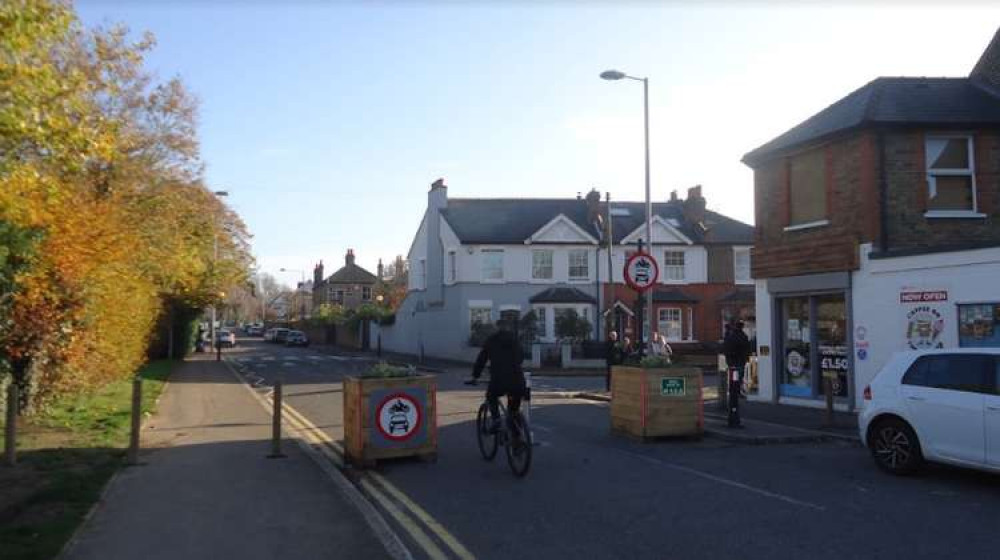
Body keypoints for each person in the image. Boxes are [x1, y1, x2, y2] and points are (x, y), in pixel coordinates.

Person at [470, 319, 526, 433]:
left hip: (499, 381)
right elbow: (521, 357)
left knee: (491, 396)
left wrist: (475, 376)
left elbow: (481, 360)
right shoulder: (515, 340)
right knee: (513, 411)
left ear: (497, 327)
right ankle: (517, 442)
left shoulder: (491, 340)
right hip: (518, 381)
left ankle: (496, 420)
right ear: (508, 327)